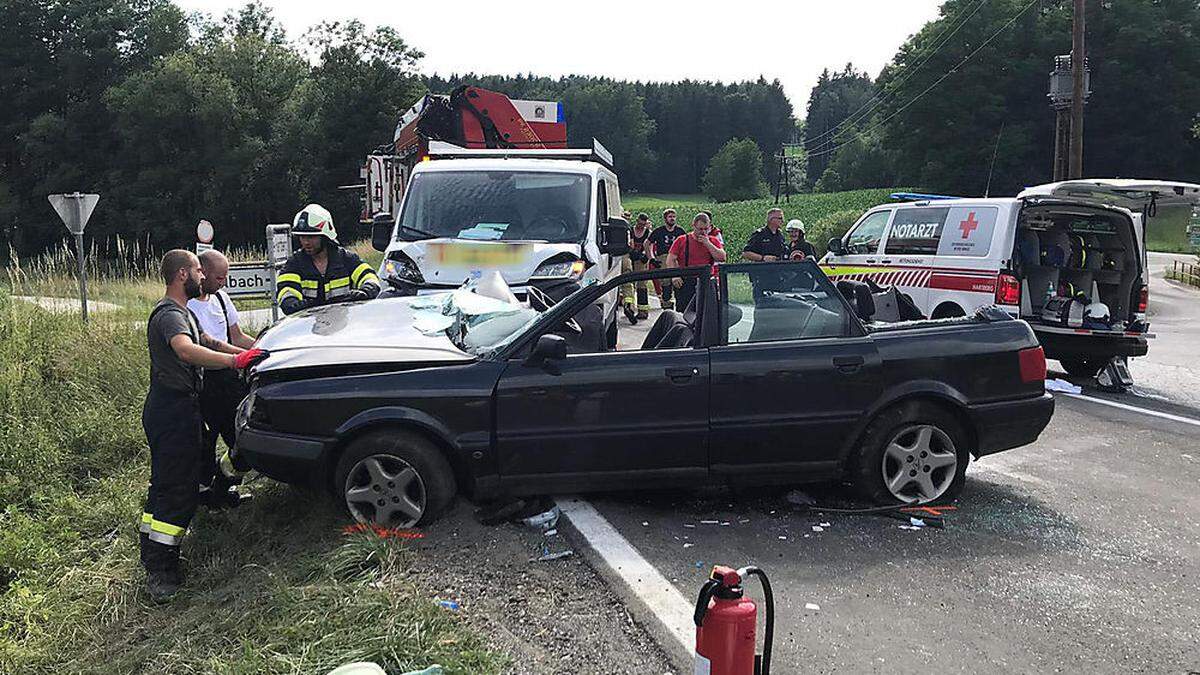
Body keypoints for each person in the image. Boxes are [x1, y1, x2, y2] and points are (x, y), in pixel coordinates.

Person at [141, 250, 268, 601]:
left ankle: (151, 553)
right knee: (176, 490)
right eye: (198, 270)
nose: (203, 274)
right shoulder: (169, 315)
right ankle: (160, 571)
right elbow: (185, 349)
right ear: (183, 275)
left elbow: (207, 341)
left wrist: (252, 352)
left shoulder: (183, 312)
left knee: (169, 484)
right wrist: (232, 360)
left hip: (182, 408)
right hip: (171, 411)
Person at [188, 250, 256, 508]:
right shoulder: (187, 306)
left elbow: (236, 336)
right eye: (219, 277)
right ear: (201, 274)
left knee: (241, 437)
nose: (223, 283)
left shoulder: (221, 299)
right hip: (204, 380)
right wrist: (241, 356)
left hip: (229, 378)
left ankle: (225, 485)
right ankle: (205, 495)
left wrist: (263, 347)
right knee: (204, 442)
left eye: (226, 277)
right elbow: (207, 345)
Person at [277, 204, 381, 315]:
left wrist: (366, 291)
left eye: (311, 237)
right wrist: (291, 302)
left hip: (343, 325)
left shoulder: (345, 259)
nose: (306, 242)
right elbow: (286, 289)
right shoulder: (294, 264)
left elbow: (369, 276)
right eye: (302, 237)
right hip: (307, 326)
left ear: (325, 237)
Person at [665, 212, 726, 311]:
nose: (703, 232)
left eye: (706, 229)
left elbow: (722, 257)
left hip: (705, 281)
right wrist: (675, 276)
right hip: (686, 281)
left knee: (707, 311)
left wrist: (708, 244)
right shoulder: (682, 240)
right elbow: (670, 259)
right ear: (693, 226)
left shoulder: (713, 241)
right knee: (684, 312)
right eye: (700, 229)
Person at [647, 208, 687, 309]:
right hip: (663, 256)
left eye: (674, 217)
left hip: (677, 257)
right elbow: (647, 243)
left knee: (678, 281)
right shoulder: (659, 231)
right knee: (666, 281)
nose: (672, 219)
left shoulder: (680, 231)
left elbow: (687, 244)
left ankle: (680, 306)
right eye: (670, 217)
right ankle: (667, 305)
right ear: (665, 219)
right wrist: (651, 258)